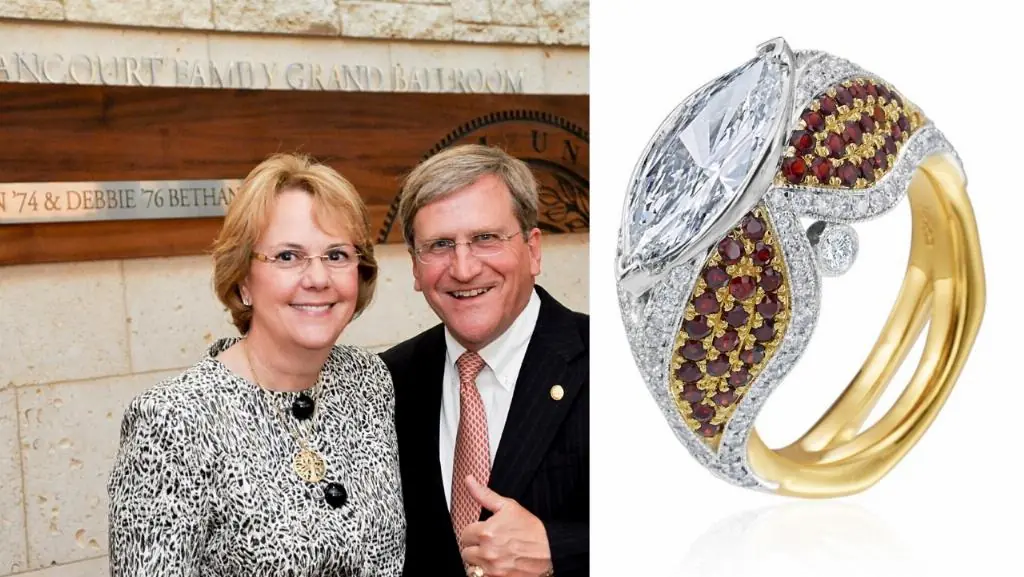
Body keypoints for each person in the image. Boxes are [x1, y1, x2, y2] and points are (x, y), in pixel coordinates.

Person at [107, 153, 405, 576]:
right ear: (244, 278)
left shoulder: (369, 382)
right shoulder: (173, 421)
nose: (318, 278)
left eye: (336, 255)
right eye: (288, 256)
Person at [381, 144, 589, 577]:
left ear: (533, 250)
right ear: (416, 269)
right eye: (439, 245)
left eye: (485, 238)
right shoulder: (390, 381)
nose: (463, 268)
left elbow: (693, 523)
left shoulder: (611, 363)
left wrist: (561, 549)